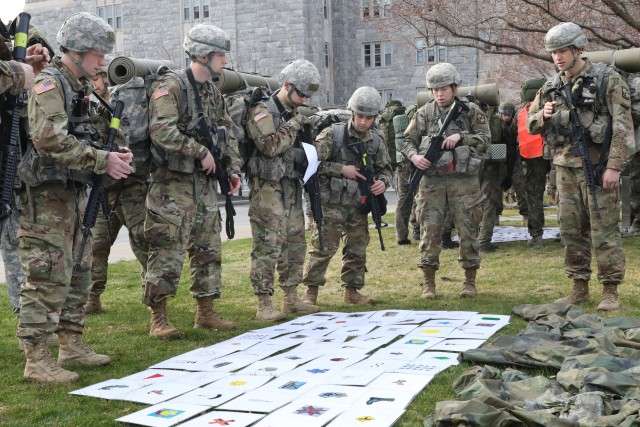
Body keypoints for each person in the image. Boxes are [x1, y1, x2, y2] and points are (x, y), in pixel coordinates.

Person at [17, 12, 133, 383]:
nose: (103, 61)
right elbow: (48, 139)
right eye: (99, 53)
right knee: (47, 274)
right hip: (47, 197)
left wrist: (117, 151)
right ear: (80, 50)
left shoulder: (80, 87)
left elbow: (94, 132)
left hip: (73, 190)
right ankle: (36, 359)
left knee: (79, 270)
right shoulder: (50, 84)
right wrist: (103, 160)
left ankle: (71, 343)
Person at [527, 22, 635, 311]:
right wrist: (543, 115)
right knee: (571, 230)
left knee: (604, 228)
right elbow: (530, 123)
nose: (558, 57)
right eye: (553, 53)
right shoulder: (551, 86)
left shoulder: (606, 79)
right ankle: (579, 288)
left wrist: (615, 166)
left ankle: (610, 290)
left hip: (598, 166)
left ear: (578, 49)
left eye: (563, 50)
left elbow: (623, 127)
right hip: (564, 168)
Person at [143, 24, 241, 338]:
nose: (225, 60)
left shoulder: (212, 90)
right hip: (172, 184)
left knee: (208, 249)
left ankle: (206, 312)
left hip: (204, 186)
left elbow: (227, 132)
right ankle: (158, 318)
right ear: (202, 54)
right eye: (220, 54)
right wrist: (199, 151)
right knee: (167, 249)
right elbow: (161, 131)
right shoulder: (170, 86)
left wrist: (232, 168)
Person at [402, 63, 490, 299]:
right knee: (429, 230)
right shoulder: (423, 113)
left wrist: (462, 136)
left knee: (468, 229)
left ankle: (469, 282)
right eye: (435, 89)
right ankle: (428, 283)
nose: (439, 93)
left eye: (444, 88)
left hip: (464, 181)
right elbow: (407, 141)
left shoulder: (470, 111)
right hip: (432, 181)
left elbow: (486, 140)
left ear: (453, 87)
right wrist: (415, 156)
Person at [301, 87, 392, 306]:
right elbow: (310, 163)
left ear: (376, 117)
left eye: (369, 117)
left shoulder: (377, 140)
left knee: (357, 248)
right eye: (360, 116)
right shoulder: (333, 134)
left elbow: (386, 169)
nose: (363, 122)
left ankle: (352, 291)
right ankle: (310, 293)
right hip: (331, 203)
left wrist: (383, 182)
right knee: (323, 247)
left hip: (359, 204)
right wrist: (341, 169)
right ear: (352, 112)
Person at [245, 59, 321, 321]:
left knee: (295, 243)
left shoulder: (293, 114)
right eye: (301, 93)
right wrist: (297, 123)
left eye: (308, 95)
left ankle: (290, 298)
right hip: (267, 188)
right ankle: (263, 303)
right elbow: (269, 146)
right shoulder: (262, 111)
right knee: (268, 245)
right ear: (286, 86)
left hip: (291, 186)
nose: (304, 99)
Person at [85, 57, 151, 315]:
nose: (96, 82)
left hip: (133, 186)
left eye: (99, 77)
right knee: (97, 244)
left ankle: (154, 299)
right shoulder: (88, 106)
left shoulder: (131, 97)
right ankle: (92, 298)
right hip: (104, 189)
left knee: (143, 241)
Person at [1, 34, 50, 318]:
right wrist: (15, 71)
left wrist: (21, 70)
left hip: (12, 171)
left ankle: (28, 320)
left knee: (17, 246)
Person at [517, 78, 550, 249]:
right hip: (554, 153)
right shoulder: (552, 106)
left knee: (535, 197)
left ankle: (536, 237)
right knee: (565, 195)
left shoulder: (521, 112)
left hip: (531, 159)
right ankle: (569, 234)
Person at [477, 102, 507, 252]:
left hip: (470, 165)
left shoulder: (464, 118)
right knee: (489, 204)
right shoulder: (494, 120)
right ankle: (483, 243)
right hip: (490, 165)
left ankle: (472, 239)